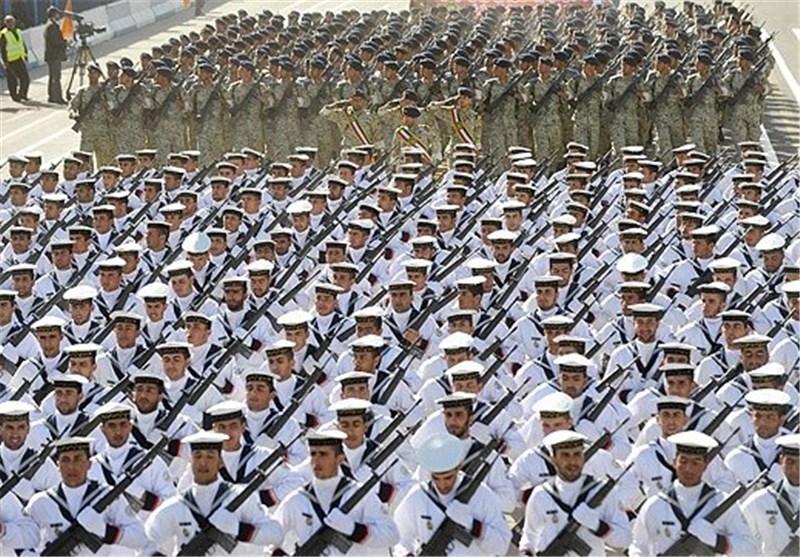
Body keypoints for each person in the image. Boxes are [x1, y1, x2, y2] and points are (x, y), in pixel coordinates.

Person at [0, 15, 30, 102]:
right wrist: (5, 61)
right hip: (10, 60)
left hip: (19, 58)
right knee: (12, 80)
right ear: (6, 24)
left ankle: (23, 94)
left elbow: (22, 44)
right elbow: (3, 49)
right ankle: (15, 96)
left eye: (12, 22)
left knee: (25, 78)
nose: (11, 24)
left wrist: (26, 54)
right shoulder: (3, 34)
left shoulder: (18, 31)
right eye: (9, 22)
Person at [43, 7, 67, 105]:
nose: (59, 15)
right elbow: (55, 41)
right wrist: (64, 43)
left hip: (51, 55)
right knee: (56, 77)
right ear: (53, 15)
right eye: (57, 14)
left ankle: (52, 96)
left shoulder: (51, 25)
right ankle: (57, 97)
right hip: (54, 55)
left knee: (53, 76)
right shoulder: (51, 26)